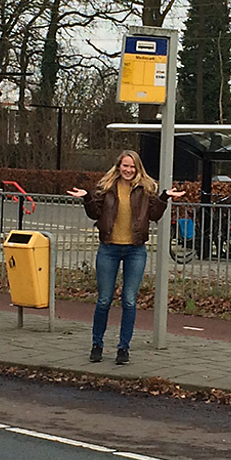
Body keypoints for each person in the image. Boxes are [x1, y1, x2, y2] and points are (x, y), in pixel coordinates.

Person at [67, 150, 185, 365]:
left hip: (135, 250)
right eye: (125, 166)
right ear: (118, 166)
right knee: (104, 300)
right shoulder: (106, 187)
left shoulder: (146, 189)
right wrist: (85, 197)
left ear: (138, 168)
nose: (129, 170)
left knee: (129, 300)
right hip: (109, 248)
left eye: (132, 167)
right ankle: (97, 344)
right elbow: (95, 213)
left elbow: (155, 215)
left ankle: (123, 348)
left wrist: (165, 197)